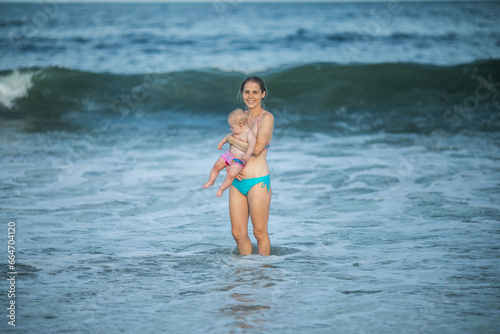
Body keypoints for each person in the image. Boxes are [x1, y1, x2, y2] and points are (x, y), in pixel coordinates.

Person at [227, 76, 274, 256]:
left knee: (259, 233)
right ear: (242, 94)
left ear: (263, 94)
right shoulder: (240, 117)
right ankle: (246, 274)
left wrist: (230, 138)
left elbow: (258, 148)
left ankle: (263, 274)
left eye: (255, 92)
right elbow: (233, 150)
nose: (251, 96)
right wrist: (228, 165)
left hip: (257, 181)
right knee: (237, 234)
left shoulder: (267, 118)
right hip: (237, 181)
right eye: (247, 92)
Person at [203, 108, 256, 198]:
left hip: (238, 160)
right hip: (228, 155)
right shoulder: (236, 132)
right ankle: (211, 181)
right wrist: (222, 142)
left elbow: (252, 145)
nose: (230, 129)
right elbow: (228, 136)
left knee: (231, 175)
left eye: (232, 127)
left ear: (240, 125)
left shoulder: (248, 134)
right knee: (216, 166)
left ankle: (221, 189)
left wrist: (247, 154)